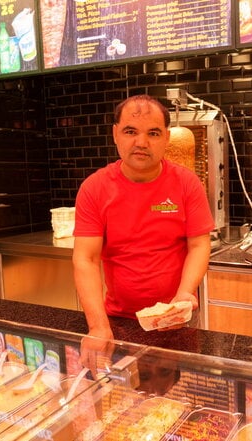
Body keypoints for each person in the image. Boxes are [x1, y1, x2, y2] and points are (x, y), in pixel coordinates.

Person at [72, 94, 215, 368]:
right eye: (130, 131)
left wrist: (185, 294)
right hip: (118, 321)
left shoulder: (187, 183)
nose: (141, 142)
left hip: (176, 317)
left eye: (153, 133)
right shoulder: (94, 188)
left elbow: (199, 245)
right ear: (115, 134)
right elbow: (85, 259)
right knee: (124, 398)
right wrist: (98, 326)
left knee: (178, 391)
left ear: (167, 138)